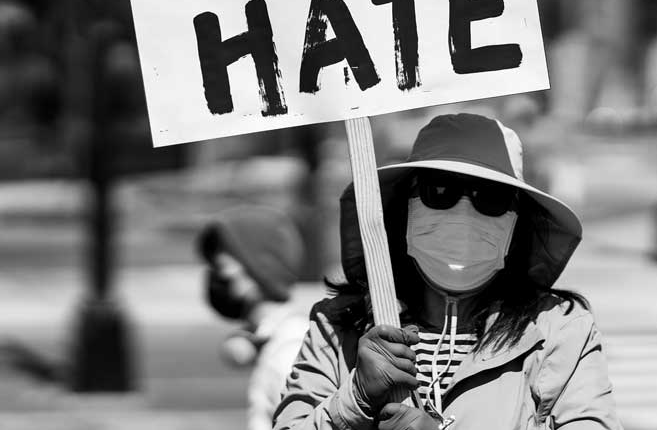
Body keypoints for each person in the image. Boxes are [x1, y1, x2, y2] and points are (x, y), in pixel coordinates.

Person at [273, 112, 621, 430]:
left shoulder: (560, 331)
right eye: (439, 190)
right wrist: (356, 400)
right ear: (404, 207)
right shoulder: (339, 328)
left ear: (518, 224)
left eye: (491, 197)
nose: (463, 213)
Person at [198, 205, 312, 430]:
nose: (215, 275)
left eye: (220, 265)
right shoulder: (272, 339)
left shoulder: (289, 351)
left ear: (259, 267)